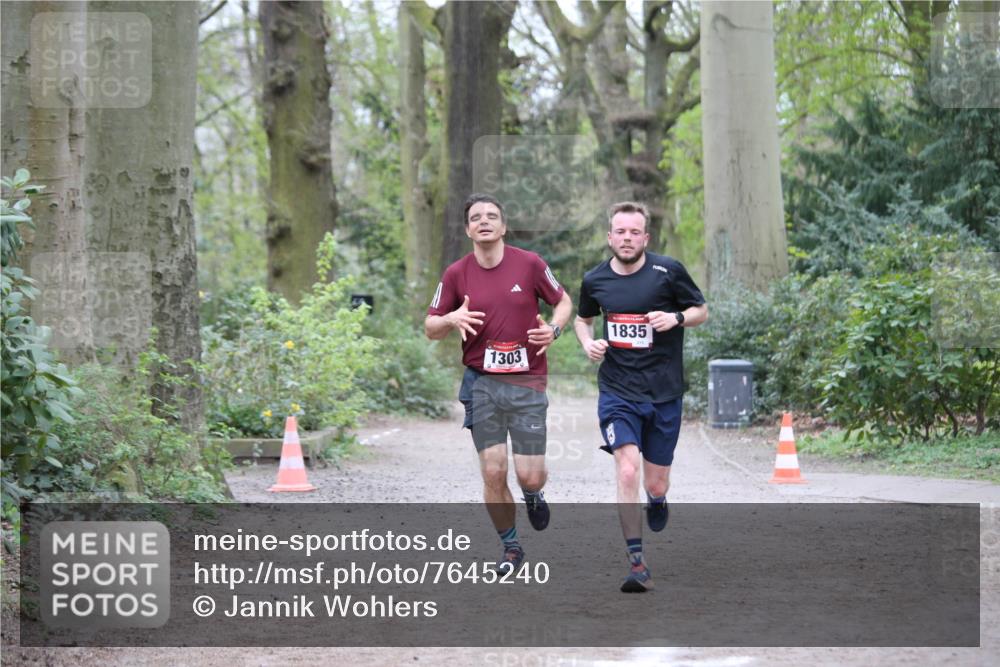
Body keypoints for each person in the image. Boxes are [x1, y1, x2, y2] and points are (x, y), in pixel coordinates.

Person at [425, 193, 573, 574]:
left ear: (504, 227)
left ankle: (533, 493)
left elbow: (564, 302)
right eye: (476, 217)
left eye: (492, 216)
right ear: (468, 229)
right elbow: (430, 328)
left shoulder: (530, 264)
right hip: (481, 383)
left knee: (529, 473)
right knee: (492, 471)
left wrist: (554, 329)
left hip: (527, 381)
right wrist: (451, 319)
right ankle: (511, 549)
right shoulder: (456, 274)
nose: (484, 221)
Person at [574, 201, 707, 593]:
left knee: (657, 482)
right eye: (620, 231)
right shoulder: (595, 279)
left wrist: (677, 318)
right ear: (609, 236)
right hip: (617, 390)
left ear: (645, 237)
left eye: (635, 232)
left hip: (664, 392)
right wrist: (587, 343)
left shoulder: (669, 272)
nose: (627, 238)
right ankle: (637, 562)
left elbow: (701, 309)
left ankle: (659, 499)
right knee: (627, 469)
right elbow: (584, 319)